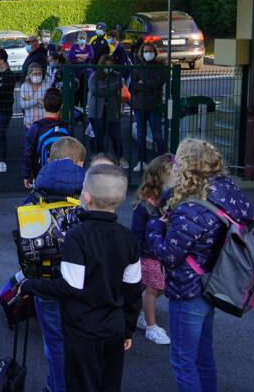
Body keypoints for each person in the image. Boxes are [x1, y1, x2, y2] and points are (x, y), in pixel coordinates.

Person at [144, 138, 254, 392]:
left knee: (183, 361)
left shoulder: (192, 208)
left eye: (176, 163)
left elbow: (169, 255)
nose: (172, 167)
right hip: (214, 282)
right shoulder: (226, 191)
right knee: (203, 356)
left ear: (186, 167)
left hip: (189, 290)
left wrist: (155, 225)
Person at [21, 164, 142, 392]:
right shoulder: (128, 238)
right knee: (109, 385)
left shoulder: (78, 235)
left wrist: (32, 285)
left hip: (83, 330)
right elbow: (133, 288)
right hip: (114, 328)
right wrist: (128, 328)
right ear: (120, 198)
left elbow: (71, 286)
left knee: (81, 384)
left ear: (86, 197)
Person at [129, 154, 173, 346]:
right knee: (153, 289)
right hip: (148, 255)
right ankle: (151, 326)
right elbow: (136, 233)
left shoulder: (170, 200)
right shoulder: (144, 206)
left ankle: (140, 311)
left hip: (163, 252)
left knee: (161, 287)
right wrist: (135, 258)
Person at [130, 43, 167, 171]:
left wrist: (143, 84)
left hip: (153, 105)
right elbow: (133, 86)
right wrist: (147, 86)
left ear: (155, 52)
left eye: (150, 51)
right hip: (139, 105)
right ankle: (141, 161)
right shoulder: (137, 66)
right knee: (141, 135)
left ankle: (163, 161)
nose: (148, 53)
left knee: (157, 135)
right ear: (142, 52)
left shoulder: (160, 67)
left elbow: (158, 82)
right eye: (146, 51)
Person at [22, 88, 69, 189]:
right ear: (61, 106)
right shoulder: (65, 128)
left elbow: (28, 153)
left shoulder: (35, 128)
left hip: (40, 175)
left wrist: (26, 175)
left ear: (43, 105)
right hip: (62, 176)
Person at [90, 56, 123, 163]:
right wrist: (110, 88)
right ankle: (99, 157)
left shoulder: (117, 75)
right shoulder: (94, 76)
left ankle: (120, 157)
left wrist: (103, 88)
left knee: (115, 135)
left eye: (110, 65)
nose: (108, 67)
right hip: (96, 110)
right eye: (106, 64)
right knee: (98, 135)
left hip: (111, 110)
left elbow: (119, 84)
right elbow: (94, 90)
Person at [19, 63, 48, 131]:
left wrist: (30, 100)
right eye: (35, 74)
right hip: (29, 124)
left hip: (43, 123)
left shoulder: (46, 86)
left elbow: (47, 106)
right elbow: (22, 105)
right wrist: (37, 101)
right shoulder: (24, 86)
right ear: (29, 75)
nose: (37, 75)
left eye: (39, 73)